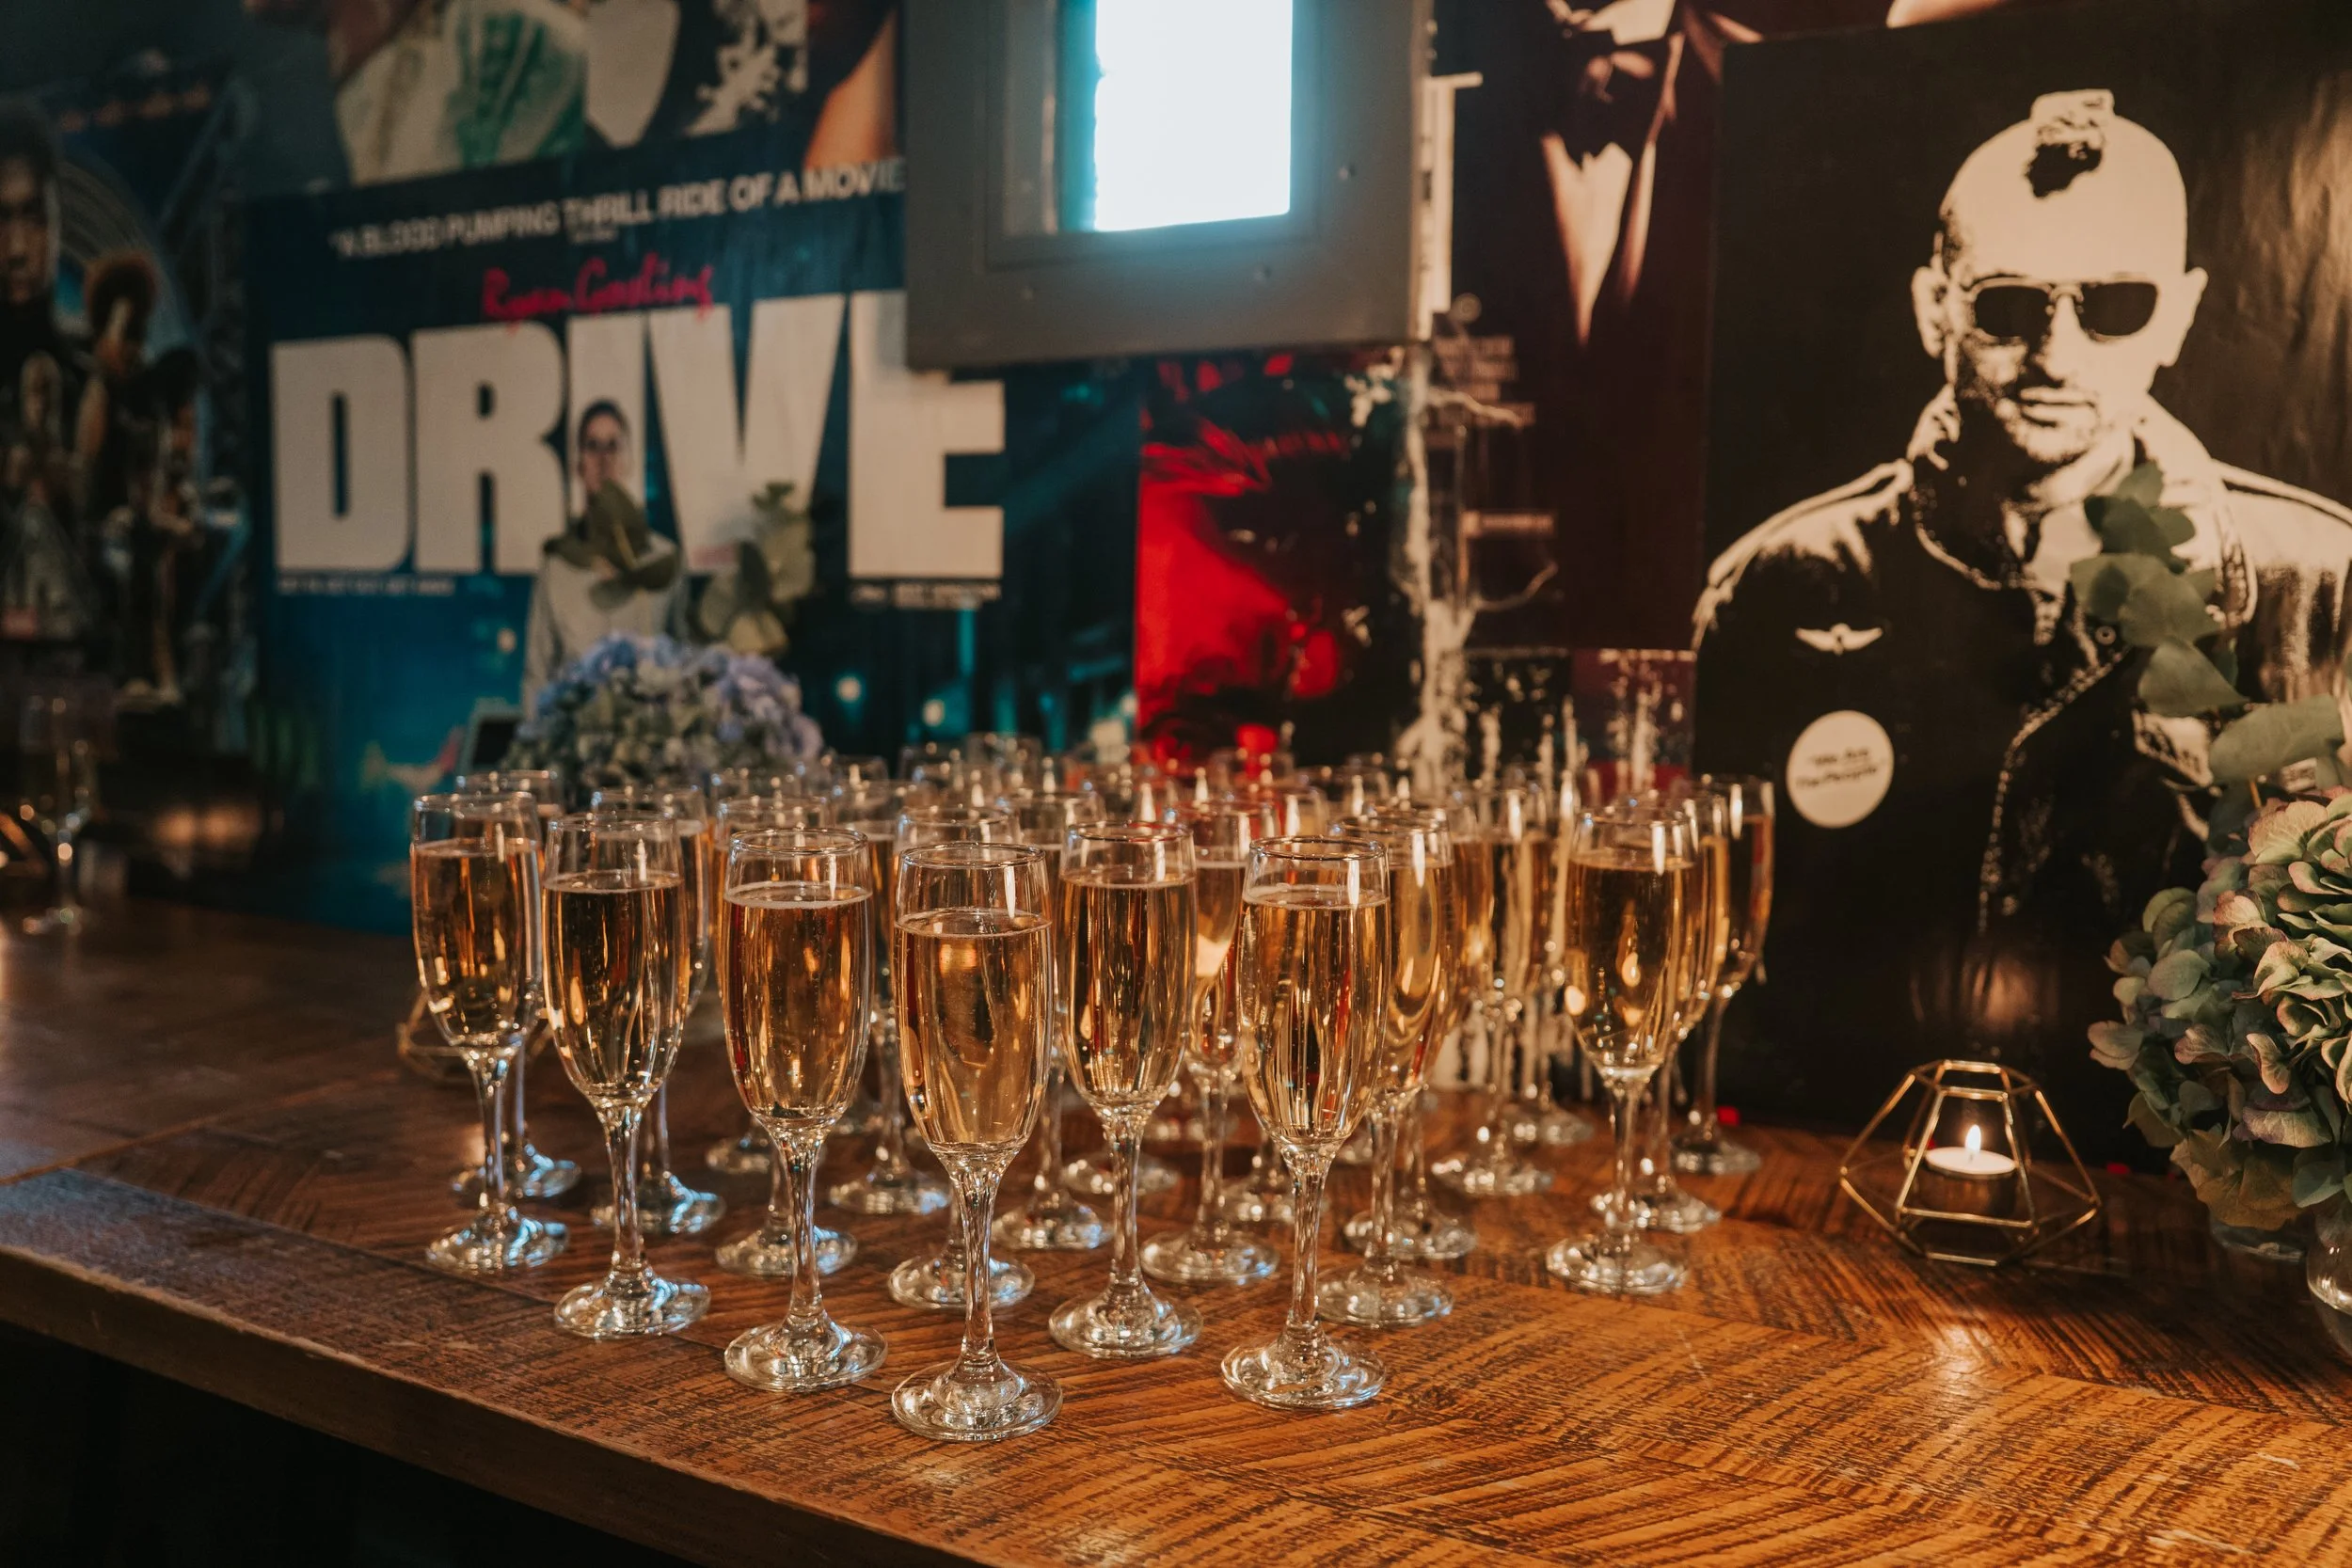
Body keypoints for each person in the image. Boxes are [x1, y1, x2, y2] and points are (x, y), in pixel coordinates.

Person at [1693, 89, 2352, 1132]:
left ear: (2178, 312)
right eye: (2008, 304)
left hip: (2165, 1214)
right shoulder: (1778, 582)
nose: (2056, 351)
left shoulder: (2321, 584)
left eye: (2114, 304)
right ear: (1932, 307)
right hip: (1830, 1165)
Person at [522, 400, 683, 707]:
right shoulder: (557, 567)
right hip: (574, 742)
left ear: (628, 461)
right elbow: (538, 674)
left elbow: (683, 662)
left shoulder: (664, 560)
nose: (603, 459)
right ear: (579, 465)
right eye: (592, 446)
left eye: (613, 446)